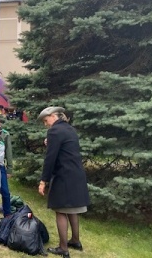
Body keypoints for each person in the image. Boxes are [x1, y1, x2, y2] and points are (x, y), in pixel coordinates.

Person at [37, 106, 90, 258]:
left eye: (46, 121)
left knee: (60, 210)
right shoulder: (69, 129)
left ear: (53, 116)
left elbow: (50, 158)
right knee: (72, 209)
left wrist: (43, 181)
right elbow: (65, 148)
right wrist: (51, 142)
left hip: (64, 176)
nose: (45, 124)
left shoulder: (54, 131)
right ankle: (75, 240)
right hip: (76, 174)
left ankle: (63, 248)